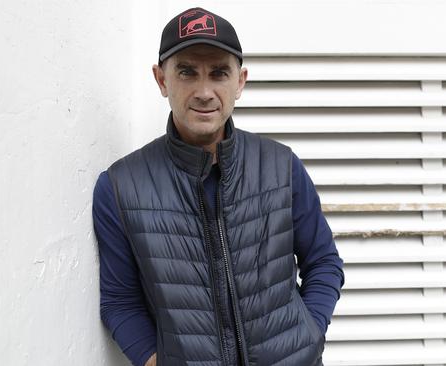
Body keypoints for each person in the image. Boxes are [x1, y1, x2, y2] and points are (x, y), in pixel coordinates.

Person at [92, 7, 344, 366]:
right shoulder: (119, 187)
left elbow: (323, 262)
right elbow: (119, 300)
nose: (204, 91)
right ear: (162, 80)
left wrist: (307, 336)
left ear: (239, 81)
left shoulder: (281, 166)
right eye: (187, 72)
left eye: (218, 73)